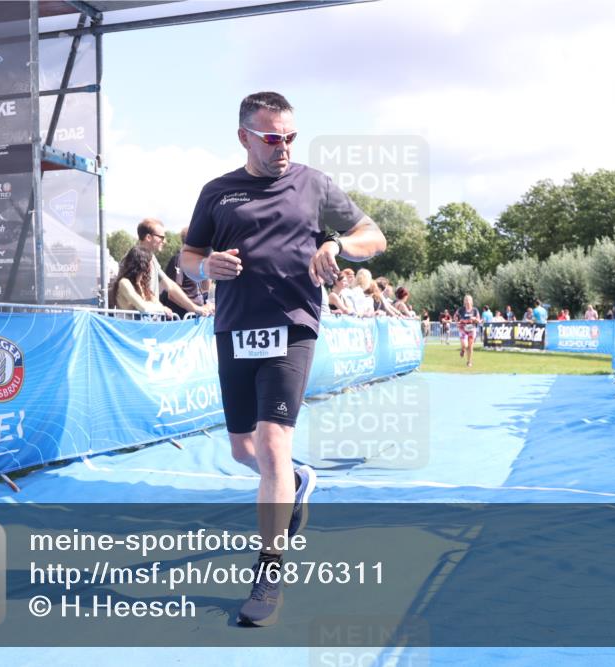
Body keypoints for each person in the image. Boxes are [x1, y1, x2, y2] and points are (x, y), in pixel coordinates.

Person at [179, 91, 386, 627]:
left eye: (291, 137)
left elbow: (374, 235)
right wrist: (206, 270)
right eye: (273, 138)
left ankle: (270, 569)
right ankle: (297, 481)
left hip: (292, 326)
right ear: (245, 135)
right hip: (233, 328)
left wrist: (338, 247)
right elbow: (188, 255)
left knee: (272, 444)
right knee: (243, 449)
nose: (284, 148)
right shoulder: (217, 193)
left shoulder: (313, 184)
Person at [135, 218, 211, 318]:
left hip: (148, 321)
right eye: (161, 237)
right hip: (135, 324)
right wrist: (160, 308)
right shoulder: (135, 258)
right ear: (148, 237)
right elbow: (135, 291)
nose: (165, 241)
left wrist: (196, 308)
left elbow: (171, 285)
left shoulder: (152, 259)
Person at [161, 225, 214, 318]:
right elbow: (172, 295)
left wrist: (208, 262)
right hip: (182, 321)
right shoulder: (178, 260)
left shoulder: (198, 262)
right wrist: (196, 308)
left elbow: (205, 288)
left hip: (194, 318)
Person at [108, 246, 166, 314]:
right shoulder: (124, 282)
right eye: (149, 262)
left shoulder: (142, 285)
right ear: (142, 264)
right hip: (126, 323)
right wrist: (162, 309)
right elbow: (143, 307)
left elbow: (158, 304)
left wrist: (160, 308)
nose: (151, 265)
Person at [458, 294, 479, 367]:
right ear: (464, 302)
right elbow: (455, 317)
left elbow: (478, 320)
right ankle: (463, 349)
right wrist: (458, 322)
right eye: (466, 300)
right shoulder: (461, 310)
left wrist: (474, 319)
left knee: (470, 346)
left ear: (471, 302)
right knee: (465, 345)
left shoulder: (475, 310)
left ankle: (469, 362)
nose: (468, 302)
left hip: (472, 330)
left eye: (469, 300)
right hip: (463, 329)